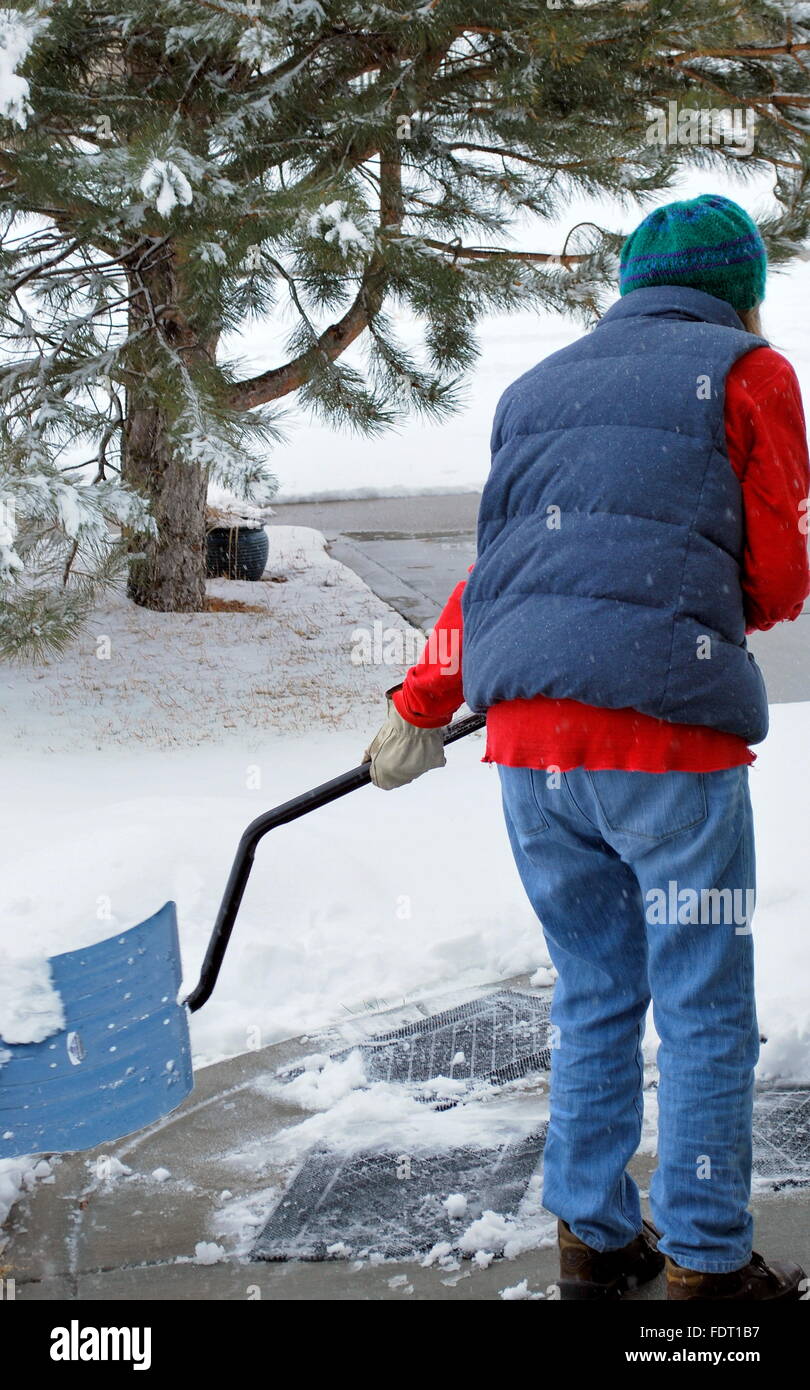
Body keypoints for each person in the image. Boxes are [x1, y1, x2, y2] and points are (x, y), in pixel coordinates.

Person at [364, 195, 810, 1301]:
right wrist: (690, 608)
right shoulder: (751, 374)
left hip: (531, 759)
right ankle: (708, 1258)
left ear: (627, 286)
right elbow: (783, 576)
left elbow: (505, 575)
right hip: (667, 749)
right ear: (741, 288)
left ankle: (596, 1235)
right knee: (703, 1000)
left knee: (595, 990)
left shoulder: (535, 390)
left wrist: (424, 700)